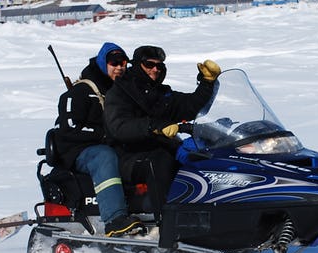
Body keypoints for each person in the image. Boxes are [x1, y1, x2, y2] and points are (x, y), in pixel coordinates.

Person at [104, 45, 220, 219]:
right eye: (149, 65)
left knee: (202, 156)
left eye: (159, 65)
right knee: (161, 161)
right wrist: (154, 126)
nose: (155, 69)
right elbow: (119, 126)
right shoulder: (120, 92)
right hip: (127, 155)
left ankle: (213, 214)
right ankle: (167, 223)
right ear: (137, 65)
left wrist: (207, 83)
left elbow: (189, 106)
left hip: (159, 148)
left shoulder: (160, 93)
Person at [54, 42, 144, 237]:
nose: (120, 66)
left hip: (109, 145)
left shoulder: (123, 90)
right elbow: (69, 127)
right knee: (105, 156)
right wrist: (104, 134)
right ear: (103, 63)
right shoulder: (81, 91)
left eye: (123, 62)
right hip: (80, 151)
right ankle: (114, 220)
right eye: (114, 62)